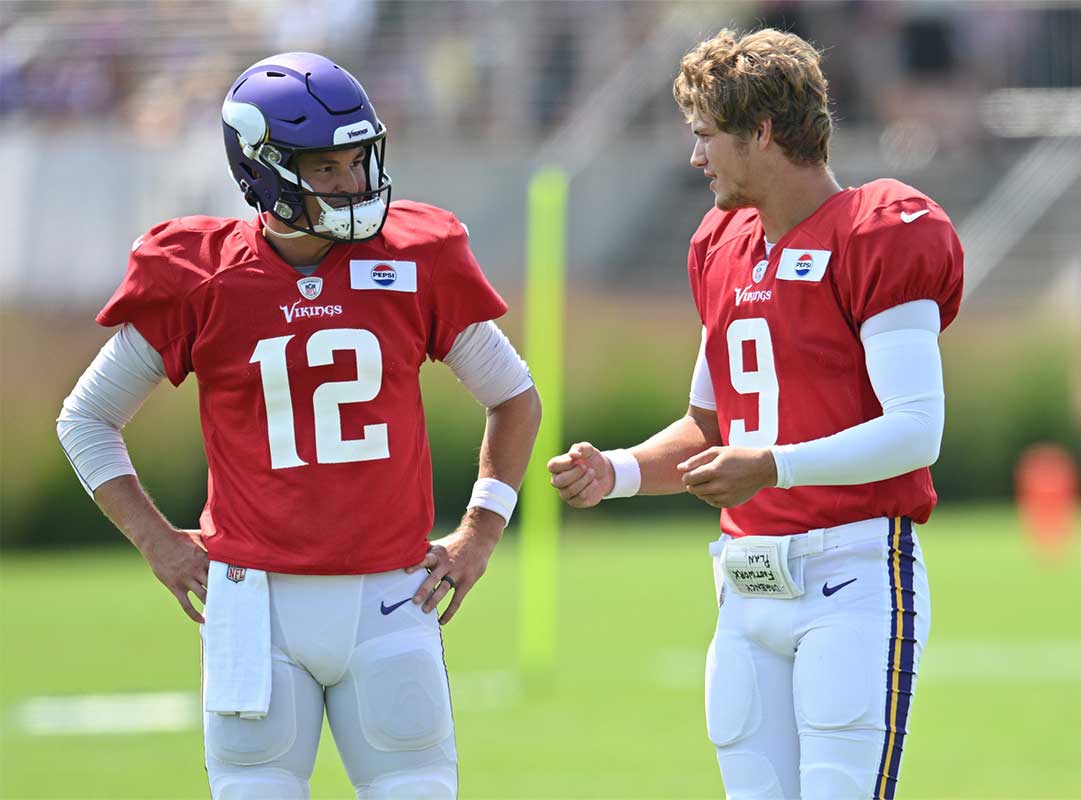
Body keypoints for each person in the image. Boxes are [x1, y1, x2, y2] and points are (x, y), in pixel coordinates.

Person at [56, 52, 540, 799]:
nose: (352, 183)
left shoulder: (415, 256)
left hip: (391, 596)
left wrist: (480, 532)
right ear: (263, 170)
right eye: (326, 168)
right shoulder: (203, 274)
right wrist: (157, 542)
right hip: (256, 606)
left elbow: (514, 395)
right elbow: (86, 418)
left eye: (359, 159)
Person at [548, 29, 962, 800]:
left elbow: (916, 431)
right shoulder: (722, 245)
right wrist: (621, 472)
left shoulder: (878, 231)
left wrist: (775, 465)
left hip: (852, 577)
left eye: (707, 136)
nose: (697, 158)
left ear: (763, 132)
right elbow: (710, 426)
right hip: (747, 587)